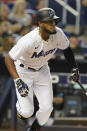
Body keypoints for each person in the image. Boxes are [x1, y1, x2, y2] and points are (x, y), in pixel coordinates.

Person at [5, 8, 80, 131]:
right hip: (23, 71)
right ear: (40, 23)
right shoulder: (28, 40)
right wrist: (18, 80)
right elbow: (8, 59)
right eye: (49, 22)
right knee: (27, 112)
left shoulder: (58, 34)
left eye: (54, 21)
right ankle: (21, 109)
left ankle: (34, 129)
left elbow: (67, 50)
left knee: (47, 109)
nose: (53, 24)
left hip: (42, 69)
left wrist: (74, 68)